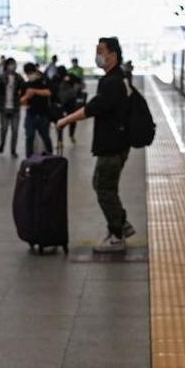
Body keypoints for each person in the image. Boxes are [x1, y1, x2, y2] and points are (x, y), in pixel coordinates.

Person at [57, 37, 136, 253]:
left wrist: (66, 120)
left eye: (101, 51)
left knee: (104, 188)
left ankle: (117, 235)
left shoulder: (112, 82)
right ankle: (122, 223)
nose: (98, 55)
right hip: (117, 143)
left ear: (113, 55)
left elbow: (94, 108)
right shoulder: (118, 78)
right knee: (101, 184)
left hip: (112, 144)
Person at [20, 62, 54, 157]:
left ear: (35, 71)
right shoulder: (25, 85)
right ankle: (29, 158)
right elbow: (21, 101)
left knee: (46, 137)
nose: (30, 76)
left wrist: (34, 91)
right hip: (30, 114)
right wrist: (26, 97)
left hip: (43, 114)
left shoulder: (44, 81)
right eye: (27, 74)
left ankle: (50, 155)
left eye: (31, 73)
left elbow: (49, 92)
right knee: (29, 136)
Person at [0, 57, 23, 157]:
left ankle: (13, 150)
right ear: (6, 66)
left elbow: (24, 90)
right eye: (10, 64)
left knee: (15, 130)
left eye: (13, 64)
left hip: (15, 107)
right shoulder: (1, 77)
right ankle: (2, 144)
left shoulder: (19, 77)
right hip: (3, 107)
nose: (12, 66)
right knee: (4, 128)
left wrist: (22, 99)